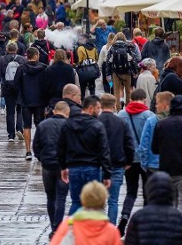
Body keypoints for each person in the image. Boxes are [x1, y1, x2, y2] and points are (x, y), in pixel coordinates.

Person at [58, 96, 112, 216]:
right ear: (90, 108)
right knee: (93, 204)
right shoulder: (97, 126)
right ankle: (92, 231)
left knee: (76, 202)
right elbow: (104, 151)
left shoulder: (68, 124)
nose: (99, 111)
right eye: (98, 108)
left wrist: (63, 167)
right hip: (92, 167)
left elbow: (61, 148)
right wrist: (107, 174)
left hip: (74, 167)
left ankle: (72, 230)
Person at [117, 89, 154, 235]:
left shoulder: (121, 115)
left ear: (130, 99)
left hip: (129, 159)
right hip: (146, 160)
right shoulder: (149, 115)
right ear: (144, 99)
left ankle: (125, 217)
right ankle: (144, 224)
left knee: (131, 192)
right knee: (147, 193)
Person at [32, 102, 70, 237]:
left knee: (51, 197)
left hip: (47, 166)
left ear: (54, 111)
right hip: (63, 166)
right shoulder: (68, 125)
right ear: (67, 112)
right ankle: (57, 228)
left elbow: (35, 146)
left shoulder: (43, 125)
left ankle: (53, 223)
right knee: (61, 197)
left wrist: (41, 158)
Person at [98, 94, 135, 225]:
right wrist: (129, 161)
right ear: (114, 106)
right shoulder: (121, 122)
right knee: (113, 200)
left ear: (100, 105)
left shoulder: (96, 121)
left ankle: (97, 227)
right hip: (117, 164)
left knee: (97, 200)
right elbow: (129, 144)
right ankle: (111, 229)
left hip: (99, 165)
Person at [14, 47, 49, 161]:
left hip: (26, 101)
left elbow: (15, 84)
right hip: (40, 101)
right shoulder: (44, 68)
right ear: (35, 56)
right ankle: (40, 150)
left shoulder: (21, 68)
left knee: (27, 126)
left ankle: (28, 151)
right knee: (40, 126)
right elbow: (47, 85)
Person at [0, 41, 25, 141]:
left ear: (6, 49)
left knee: (10, 112)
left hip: (7, 87)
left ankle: (11, 135)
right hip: (20, 88)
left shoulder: (2, 60)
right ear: (17, 49)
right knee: (20, 110)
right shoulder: (22, 59)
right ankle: (19, 129)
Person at [138, 91, 174, 173]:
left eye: (157, 103)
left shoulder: (151, 121)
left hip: (153, 164)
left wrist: (144, 164)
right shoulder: (177, 120)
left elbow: (144, 145)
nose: (155, 105)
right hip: (172, 165)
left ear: (164, 106)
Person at [104, 32, 140, 107]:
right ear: (124, 38)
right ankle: (128, 106)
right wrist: (135, 71)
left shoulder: (112, 47)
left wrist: (108, 74)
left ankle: (118, 107)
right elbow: (132, 60)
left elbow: (108, 61)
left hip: (116, 73)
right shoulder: (128, 46)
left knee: (116, 91)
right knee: (128, 91)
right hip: (127, 72)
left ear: (116, 38)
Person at [75, 35, 99, 100]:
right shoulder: (94, 48)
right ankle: (93, 100)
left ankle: (83, 101)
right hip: (92, 70)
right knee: (92, 87)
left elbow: (79, 60)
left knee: (83, 87)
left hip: (83, 71)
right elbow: (96, 58)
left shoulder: (80, 48)